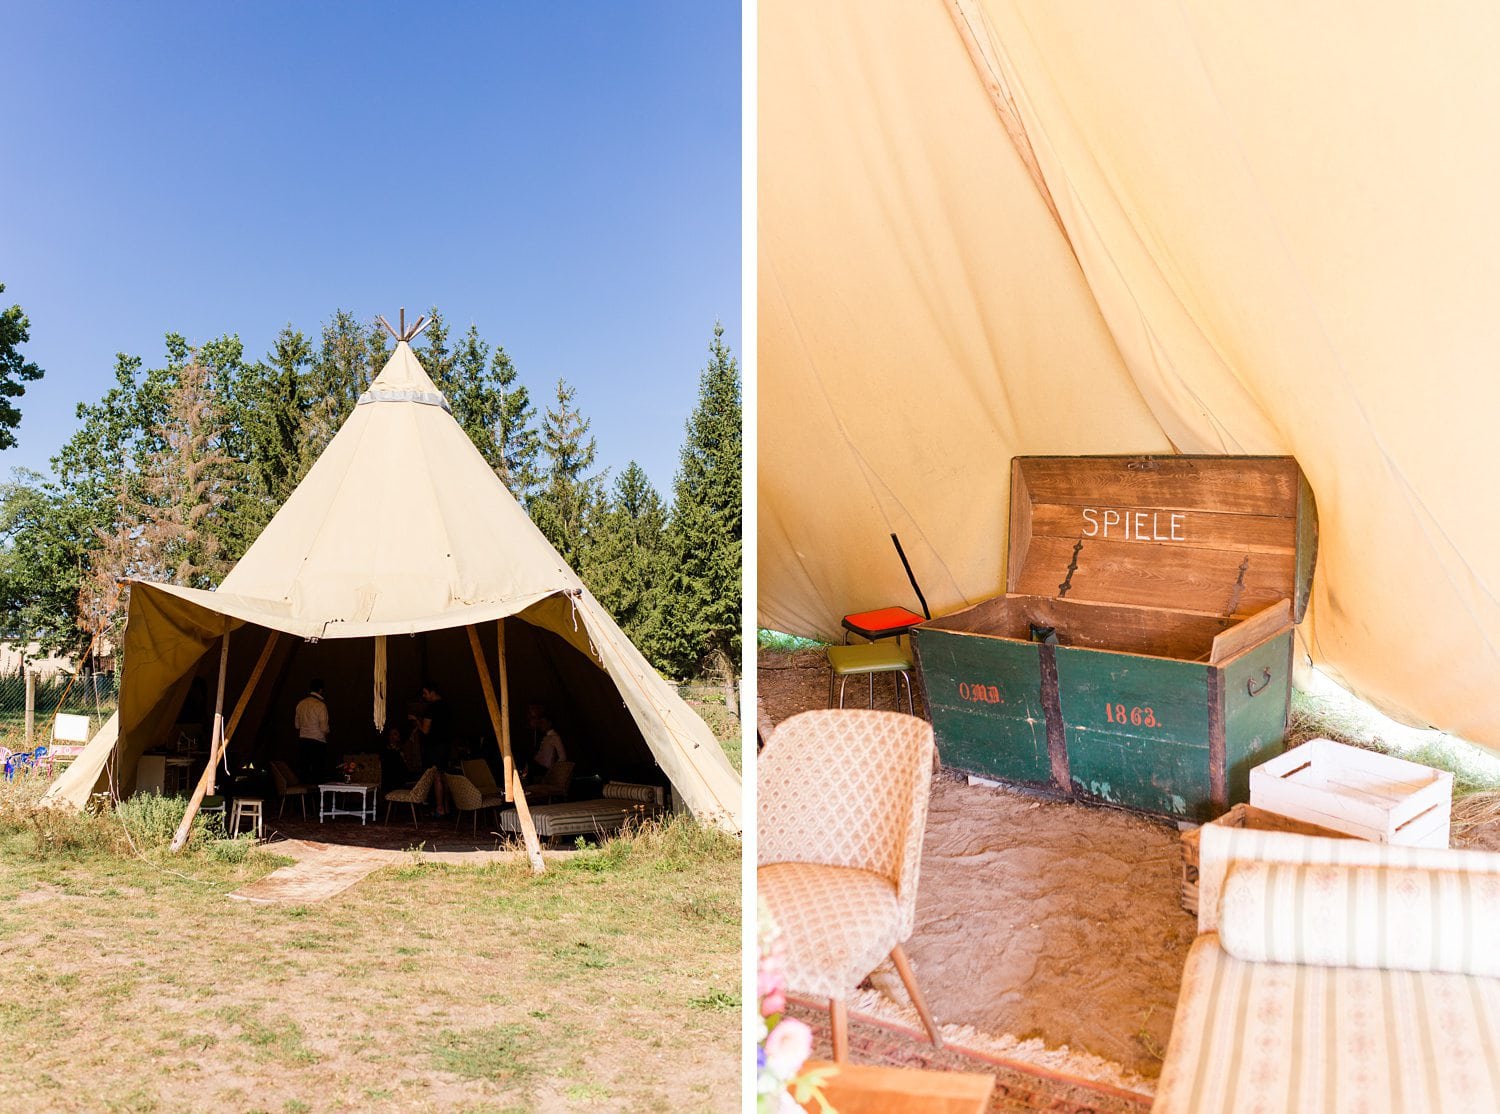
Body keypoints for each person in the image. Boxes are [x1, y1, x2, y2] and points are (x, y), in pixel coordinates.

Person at [409, 681, 452, 815]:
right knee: (445, 776)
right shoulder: (447, 706)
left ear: (432, 693)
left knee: (437, 776)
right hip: (446, 745)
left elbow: (426, 730)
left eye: (425, 693)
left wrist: (417, 721)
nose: (424, 696)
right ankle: (447, 807)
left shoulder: (431, 708)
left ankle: (439, 808)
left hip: (435, 747)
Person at [294, 678, 330, 782]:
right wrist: (327, 731)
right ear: (320, 690)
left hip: (303, 741)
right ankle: (318, 797)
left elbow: (297, 725)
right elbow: (324, 728)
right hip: (317, 742)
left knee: (304, 771)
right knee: (317, 772)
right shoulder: (321, 705)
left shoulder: (300, 704)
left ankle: (303, 797)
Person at [525, 703, 567, 781]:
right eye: (540, 723)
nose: (541, 725)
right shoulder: (545, 737)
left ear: (549, 723)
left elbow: (563, 757)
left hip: (544, 769)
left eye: (543, 723)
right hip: (538, 766)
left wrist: (553, 769)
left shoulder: (555, 737)